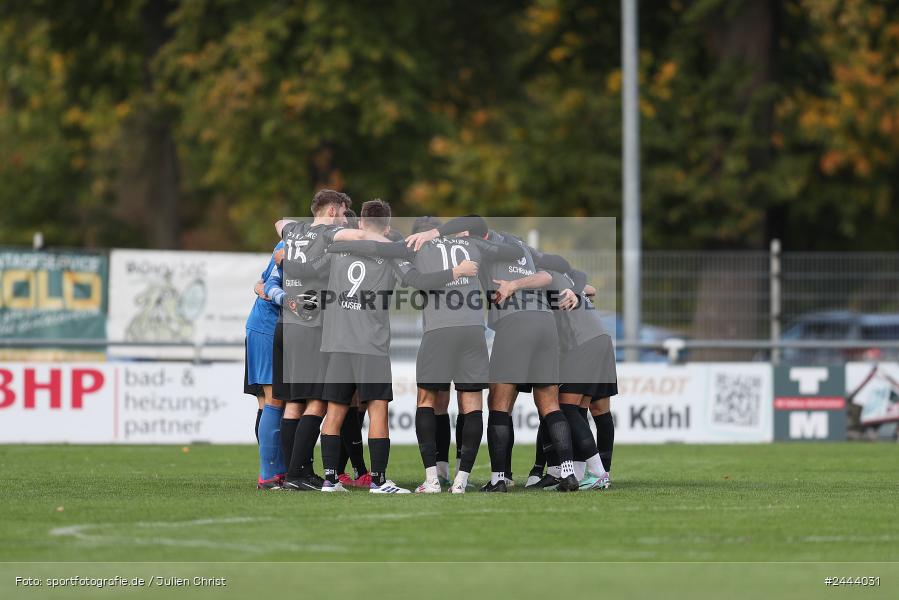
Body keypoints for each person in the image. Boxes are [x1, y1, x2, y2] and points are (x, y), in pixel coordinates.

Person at [407, 216, 579, 493]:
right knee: (549, 403)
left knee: (499, 402)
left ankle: (500, 478)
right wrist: (574, 288)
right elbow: (551, 272)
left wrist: (512, 286)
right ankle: (567, 472)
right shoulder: (521, 247)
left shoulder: (479, 246)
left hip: (514, 322)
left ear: (475, 234)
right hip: (545, 322)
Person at [246, 238, 287, 490]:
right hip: (266, 328)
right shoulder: (293, 241)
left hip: (273, 327)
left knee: (274, 401)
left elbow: (262, 282)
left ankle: (278, 469)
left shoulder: (303, 238)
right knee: (273, 399)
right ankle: (269, 474)